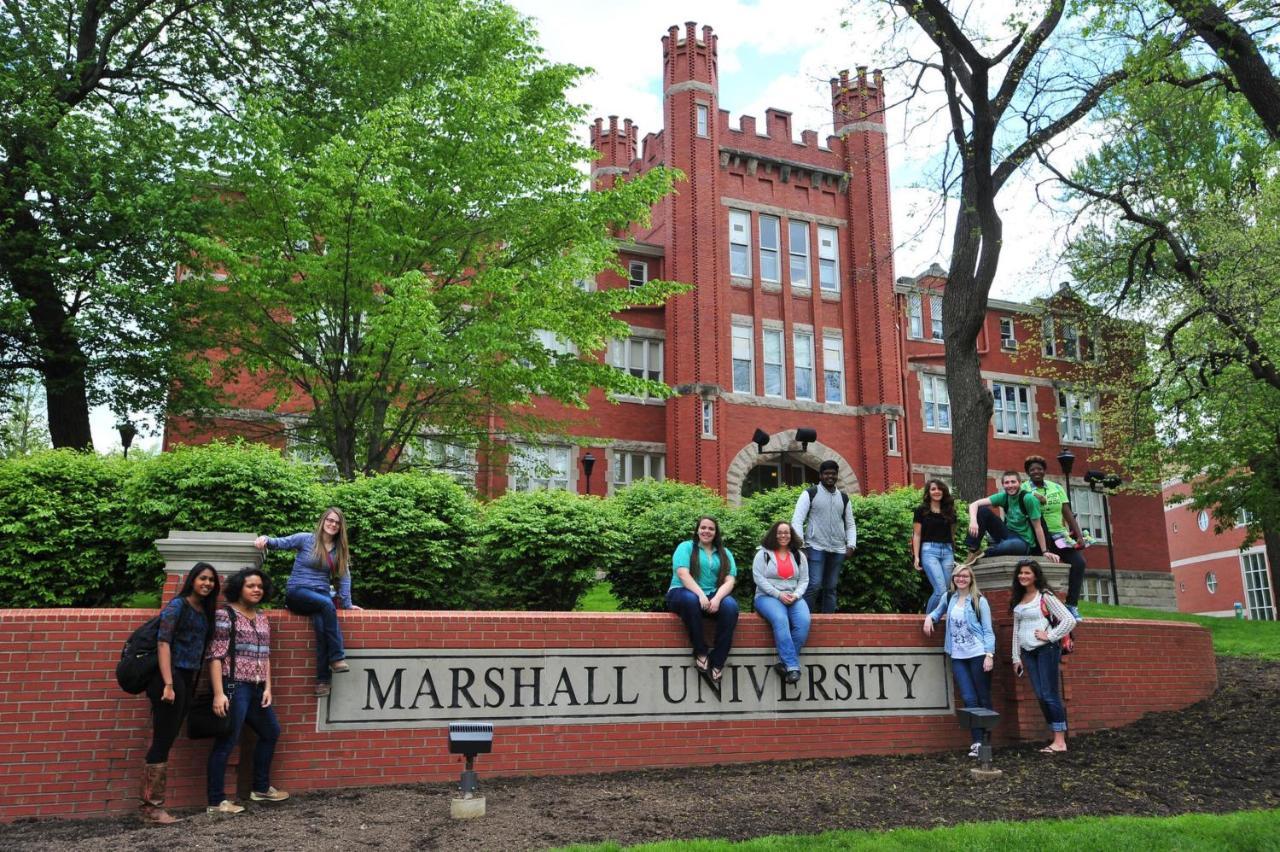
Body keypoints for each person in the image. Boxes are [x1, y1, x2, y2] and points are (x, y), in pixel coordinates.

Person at [139, 562, 220, 824]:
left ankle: (153, 806)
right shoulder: (178, 605)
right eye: (202, 578)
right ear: (192, 580)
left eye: (211, 581)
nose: (207, 584)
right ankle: (152, 809)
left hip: (186, 678)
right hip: (169, 677)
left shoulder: (204, 610)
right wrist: (169, 684)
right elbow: (164, 643)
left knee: (168, 735)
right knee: (163, 737)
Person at [205, 567, 288, 814]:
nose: (256, 590)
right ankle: (216, 801)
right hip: (234, 686)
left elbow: (266, 656)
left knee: (270, 731)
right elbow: (215, 656)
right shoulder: (225, 615)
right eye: (251, 585)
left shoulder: (262, 618)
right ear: (239, 587)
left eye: (260, 587)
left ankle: (260, 788)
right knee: (227, 740)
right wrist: (219, 693)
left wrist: (268, 687)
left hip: (257, 687)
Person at [255, 508, 359, 697]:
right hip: (298, 592)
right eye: (330, 520)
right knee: (327, 605)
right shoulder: (306, 539)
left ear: (341, 527)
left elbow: (344, 578)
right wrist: (265, 539)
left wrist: (347, 604)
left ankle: (323, 681)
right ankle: (337, 657)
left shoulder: (339, 550)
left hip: (320, 596)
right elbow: (281, 543)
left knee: (321, 628)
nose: (333, 524)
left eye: (337, 522)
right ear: (323, 521)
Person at [922, 563, 995, 757]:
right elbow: (937, 613)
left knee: (983, 697)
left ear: (971, 579)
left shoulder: (980, 601)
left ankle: (986, 740)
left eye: (965, 576)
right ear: (953, 579)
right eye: (957, 576)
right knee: (969, 698)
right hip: (958, 655)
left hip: (978, 653)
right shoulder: (949, 598)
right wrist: (930, 618)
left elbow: (988, 631)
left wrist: (989, 654)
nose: (961, 579)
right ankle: (977, 741)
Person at [1009, 559, 1077, 754]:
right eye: (1020, 573)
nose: (1023, 576)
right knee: (1040, 695)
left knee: (1049, 694)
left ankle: (1060, 741)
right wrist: (1016, 657)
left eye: (1027, 573)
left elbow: (1069, 620)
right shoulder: (1019, 598)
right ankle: (1055, 733)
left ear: (1036, 576)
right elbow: (1016, 630)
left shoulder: (1045, 596)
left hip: (1046, 650)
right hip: (1028, 653)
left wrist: (1050, 636)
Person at [666, 516, 738, 692]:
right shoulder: (686, 547)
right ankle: (701, 652)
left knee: (731, 607)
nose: (706, 531)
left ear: (716, 532)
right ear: (697, 530)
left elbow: (730, 580)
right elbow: (683, 574)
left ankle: (718, 661)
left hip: (711, 594)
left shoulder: (724, 552)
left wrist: (717, 599)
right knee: (691, 600)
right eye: (703, 527)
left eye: (711, 529)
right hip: (681, 592)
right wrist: (700, 595)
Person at [1022, 455, 1088, 619]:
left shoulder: (1056, 488)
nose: (1036, 472)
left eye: (1039, 469)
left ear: (1044, 471)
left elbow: (1067, 512)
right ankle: (1035, 606)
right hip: (1037, 537)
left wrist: (1079, 536)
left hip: (1059, 535)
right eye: (1032, 470)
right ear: (1028, 473)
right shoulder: (1023, 488)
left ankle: (1071, 605)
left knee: (1079, 563)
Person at [791, 460, 857, 613]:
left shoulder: (844, 498)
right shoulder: (810, 493)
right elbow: (797, 520)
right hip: (815, 547)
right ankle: (804, 618)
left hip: (838, 549)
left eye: (833, 474)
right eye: (827, 473)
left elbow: (851, 524)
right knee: (814, 584)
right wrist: (801, 546)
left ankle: (829, 621)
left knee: (831, 588)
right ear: (820, 475)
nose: (830, 476)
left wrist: (851, 545)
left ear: (837, 476)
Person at [752, 521, 810, 684]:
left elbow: (804, 580)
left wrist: (797, 595)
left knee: (803, 622)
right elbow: (758, 578)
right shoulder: (762, 554)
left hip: (794, 597)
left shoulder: (799, 555)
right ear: (774, 534)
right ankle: (792, 667)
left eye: (786, 532)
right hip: (767, 597)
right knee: (781, 619)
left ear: (791, 535)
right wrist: (778, 594)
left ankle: (784, 663)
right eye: (779, 532)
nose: (783, 535)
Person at [965, 471, 1061, 564]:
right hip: (1007, 533)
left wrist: (1045, 551)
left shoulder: (1029, 499)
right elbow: (974, 504)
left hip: (1024, 541)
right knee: (982, 510)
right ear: (1003, 485)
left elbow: (1038, 527)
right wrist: (973, 521)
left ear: (1019, 483)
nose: (1010, 485)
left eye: (1013, 482)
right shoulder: (1003, 497)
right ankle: (973, 550)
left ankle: (986, 553)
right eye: (1007, 482)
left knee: (1008, 545)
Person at [912, 479, 956, 616]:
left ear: (944, 491)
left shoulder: (949, 511)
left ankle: (936, 618)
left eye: (939, 489)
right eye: (933, 489)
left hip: (947, 551)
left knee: (947, 590)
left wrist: (953, 553)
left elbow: (952, 535)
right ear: (928, 492)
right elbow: (917, 535)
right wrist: (916, 556)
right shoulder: (921, 510)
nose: (936, 491)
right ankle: (928, 618)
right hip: (929, 551)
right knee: (940, 590)